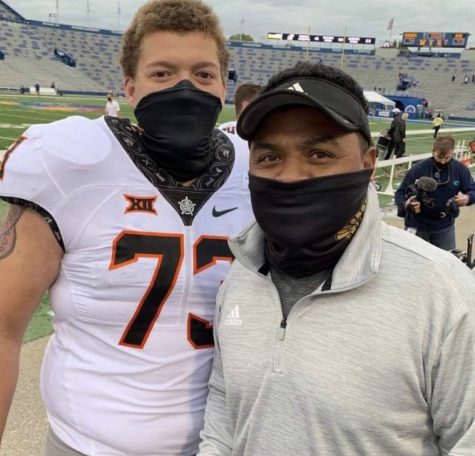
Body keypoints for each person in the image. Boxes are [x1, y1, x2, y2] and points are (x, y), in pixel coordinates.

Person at [0, 0, 253, 454]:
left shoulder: (255, 171)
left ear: (221, 87)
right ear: (130, 88)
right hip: (89, 443)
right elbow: (2, 327)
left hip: (220, 443)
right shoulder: (73, 163)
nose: (185, 87)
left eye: (203, 74)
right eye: (162, 73)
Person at [198, 61, 475, 455]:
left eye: (319, 153)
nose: (291, 176)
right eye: (269, 157)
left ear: (367, 164)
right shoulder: (240, 278)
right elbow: (225, 421)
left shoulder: (443, 291)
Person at [395, 136, 475, 251]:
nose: (443, 161)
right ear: (433, 151)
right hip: (416, 224)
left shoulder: (460, 169)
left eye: (447, 157)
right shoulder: (418, 168)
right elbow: (400, 193)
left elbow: (473, 190)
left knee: (447, 262)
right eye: (439, 157)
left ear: (452, 152)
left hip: (444, 226)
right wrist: (407, 203)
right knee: (412, 263)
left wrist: (468, 197)